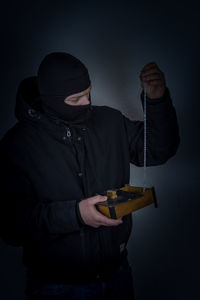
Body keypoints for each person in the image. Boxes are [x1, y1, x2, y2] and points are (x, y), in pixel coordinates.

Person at [0, 52, 180, 300]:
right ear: (51, 100)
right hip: (55, 288)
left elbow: (159, 150)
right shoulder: (17, 145)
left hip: (118, 275)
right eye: (76, 98)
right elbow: (11, 227)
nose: (87, 103)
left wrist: (157, 102)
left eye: (88, 92)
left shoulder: (110, 120)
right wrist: (76, 215)